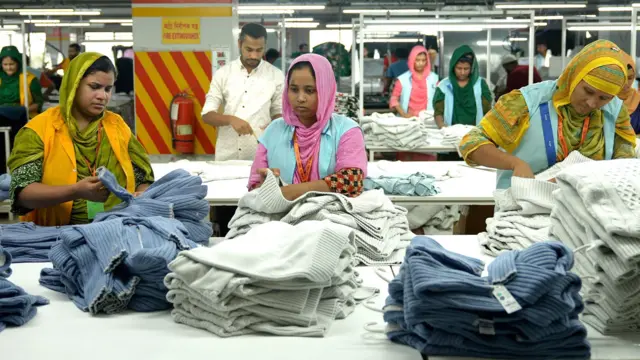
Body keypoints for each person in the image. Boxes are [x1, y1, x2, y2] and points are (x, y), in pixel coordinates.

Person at [459, 39, 636, 190]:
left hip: (584, 215)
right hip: (523, 211)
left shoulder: (614, 110)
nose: (592, 103)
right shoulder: (527, 102)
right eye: (588, 91)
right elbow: (471, 143)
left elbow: (624, 158)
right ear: (574, 75)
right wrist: (515, 164)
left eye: (604, 97)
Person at [7, 52, 154, 226]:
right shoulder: (38, 130)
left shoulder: (117, 126)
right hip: (54, 235)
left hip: (116, 230)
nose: (103, 96)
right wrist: (75, 191)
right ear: (74, 84)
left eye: (108, 89)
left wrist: (141, 193)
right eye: (94, 87)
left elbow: (142, 178)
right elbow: (23, 195)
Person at [248, 53, 367, 201]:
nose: (300, 98)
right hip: (281, 215)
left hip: (330, 216)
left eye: (310, 90)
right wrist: (266, 184)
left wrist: (290, 191)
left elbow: (352, 181)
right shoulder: (274, 131)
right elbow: (254, 187)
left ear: (325, 91)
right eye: (294, 89)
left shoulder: (347, 130)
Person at [201, 23, 284, 161]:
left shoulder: (276, 75)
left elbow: (279, 113)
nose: (254, 55)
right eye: (249, 49)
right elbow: (206, 115)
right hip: (227, 157)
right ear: (240, 44)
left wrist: (274, 126)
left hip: (262, 156)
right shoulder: (223, 73)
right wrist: (230, 119)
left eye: (259, 50)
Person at [433, 45, 492, 129]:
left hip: (475, 133)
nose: (462, 72)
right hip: (450, 135)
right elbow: (438, 112)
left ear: (472, 68)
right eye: (459, 68)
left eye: (466, 68)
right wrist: (442, 127)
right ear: (453, 67)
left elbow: (488, 111)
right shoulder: (443, 86)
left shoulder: (480, 84)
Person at [389, 45, 439, 117]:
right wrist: (404, 115)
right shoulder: (403, 79)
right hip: (408, 120)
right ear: (412, 60)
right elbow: (394, 99)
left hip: (428, 119)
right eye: (417, 60)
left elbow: (440, 98)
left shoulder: (433, 78)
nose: (420, 63)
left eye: (423, 60)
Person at [1, 46, 44, 119]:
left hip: (24, 117)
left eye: (11, 64)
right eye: (5, 65)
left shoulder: (30, 79)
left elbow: (38, 103)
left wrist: (23, 111)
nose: (8, 68)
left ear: (18, 63)